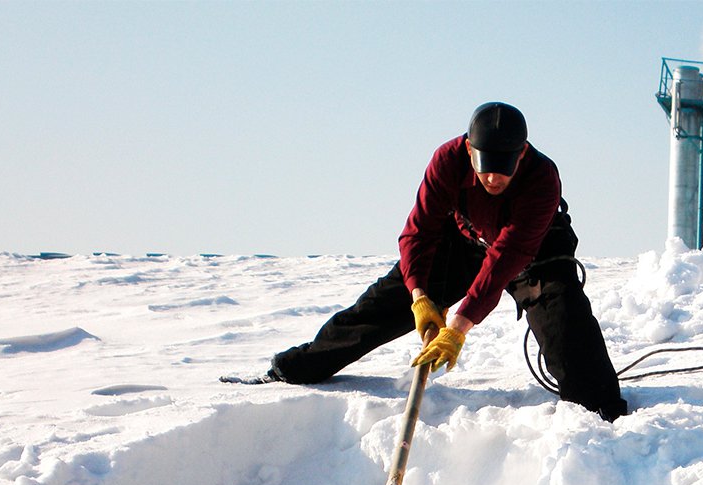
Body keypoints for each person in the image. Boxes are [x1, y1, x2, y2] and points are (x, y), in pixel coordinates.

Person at [265, 101, 628, 422]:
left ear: (522, 153)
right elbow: (417, 234)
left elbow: (505, 258)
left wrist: (457, 328)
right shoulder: (447, 160)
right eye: (485, 165)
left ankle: (600, 412)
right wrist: (420, 297)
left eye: (504, 167)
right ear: (469, 149)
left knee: (563, 318)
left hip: (534, 249)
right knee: (384, 304)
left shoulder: (542, 178)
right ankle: (302, 365)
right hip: (464, 239)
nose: (493, 177)